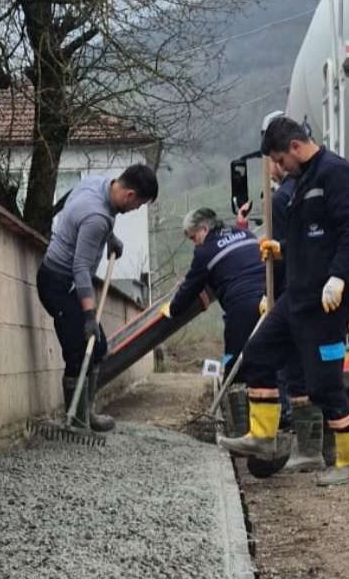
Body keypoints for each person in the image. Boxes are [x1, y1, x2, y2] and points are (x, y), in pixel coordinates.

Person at [218, 116, 349, 486]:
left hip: (327, 300)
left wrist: (339, 277)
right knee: (257, 353)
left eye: (279, 160)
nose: (279, 168)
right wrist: (281, 249)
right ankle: (262, 435)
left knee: (323, 383)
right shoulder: (303, 181)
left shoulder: (337, 174)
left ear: (294, 147)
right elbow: (311, 239)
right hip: (297, 294)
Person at [37, 164, 159, 432]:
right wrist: (90, 316)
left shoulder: (97, 184)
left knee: (99, 347)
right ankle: (76, 421)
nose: (136, 209)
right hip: (58, 283)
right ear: (129, 195)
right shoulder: (97, 218)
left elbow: (76, 206)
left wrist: (109, 237)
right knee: (78, 349)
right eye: (138, 204)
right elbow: (80, 268)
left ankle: (85, 413)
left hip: (68, 282)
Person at [162, 208, 265, 375]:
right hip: (271, 298)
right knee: (268, 358)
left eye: (193, 238)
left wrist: (172, 310)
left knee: (234, 365)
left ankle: (234, 387)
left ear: (204, 229)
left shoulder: (204, 252)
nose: (195, 244)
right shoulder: (246, 234)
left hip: (242, 306)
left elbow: (189, 288)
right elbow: (237, 261)